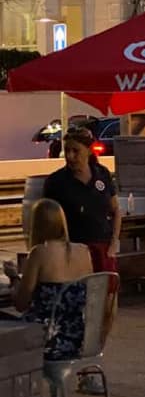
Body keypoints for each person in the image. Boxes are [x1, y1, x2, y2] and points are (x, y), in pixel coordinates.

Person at [3, 199, 94, 360]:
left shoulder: (39, 253)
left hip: (46, 338)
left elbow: (21, 304)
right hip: (79, 337)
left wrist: (14, 277)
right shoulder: (83, 251)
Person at [43, 127, 122, 277]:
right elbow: (47, 222)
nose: (70, 156)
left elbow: (116, 210)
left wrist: (113, 244)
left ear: (89, 151)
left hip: (102, 247)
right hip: (73, 249)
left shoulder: (102, 173)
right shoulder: (56, 182)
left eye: (76, 151)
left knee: (106, 292)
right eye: (67, 151)